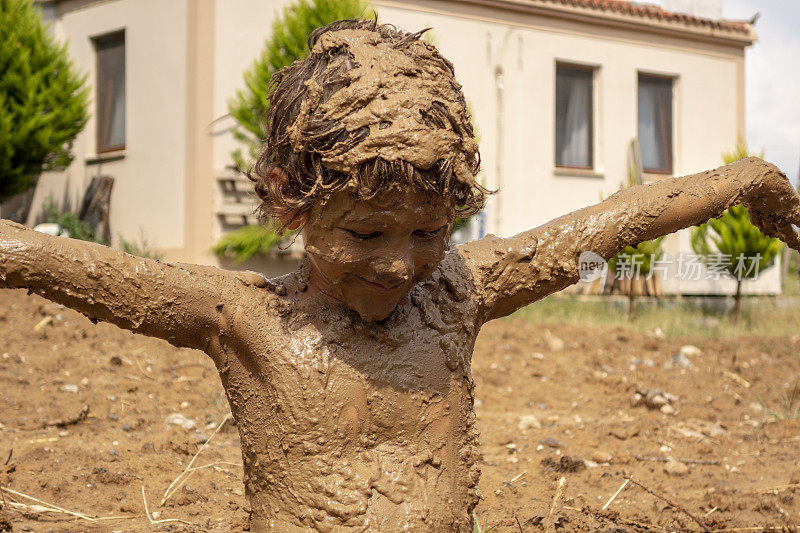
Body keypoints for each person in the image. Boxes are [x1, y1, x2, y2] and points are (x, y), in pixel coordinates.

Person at [2, 18, 800, 532]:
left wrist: (745, 179)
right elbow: (67, 263)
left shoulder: (457, 294)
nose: (398, 264)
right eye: (365, 231)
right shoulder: (243, 321)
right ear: (289, 202)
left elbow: (605, 226)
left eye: (428, 231)